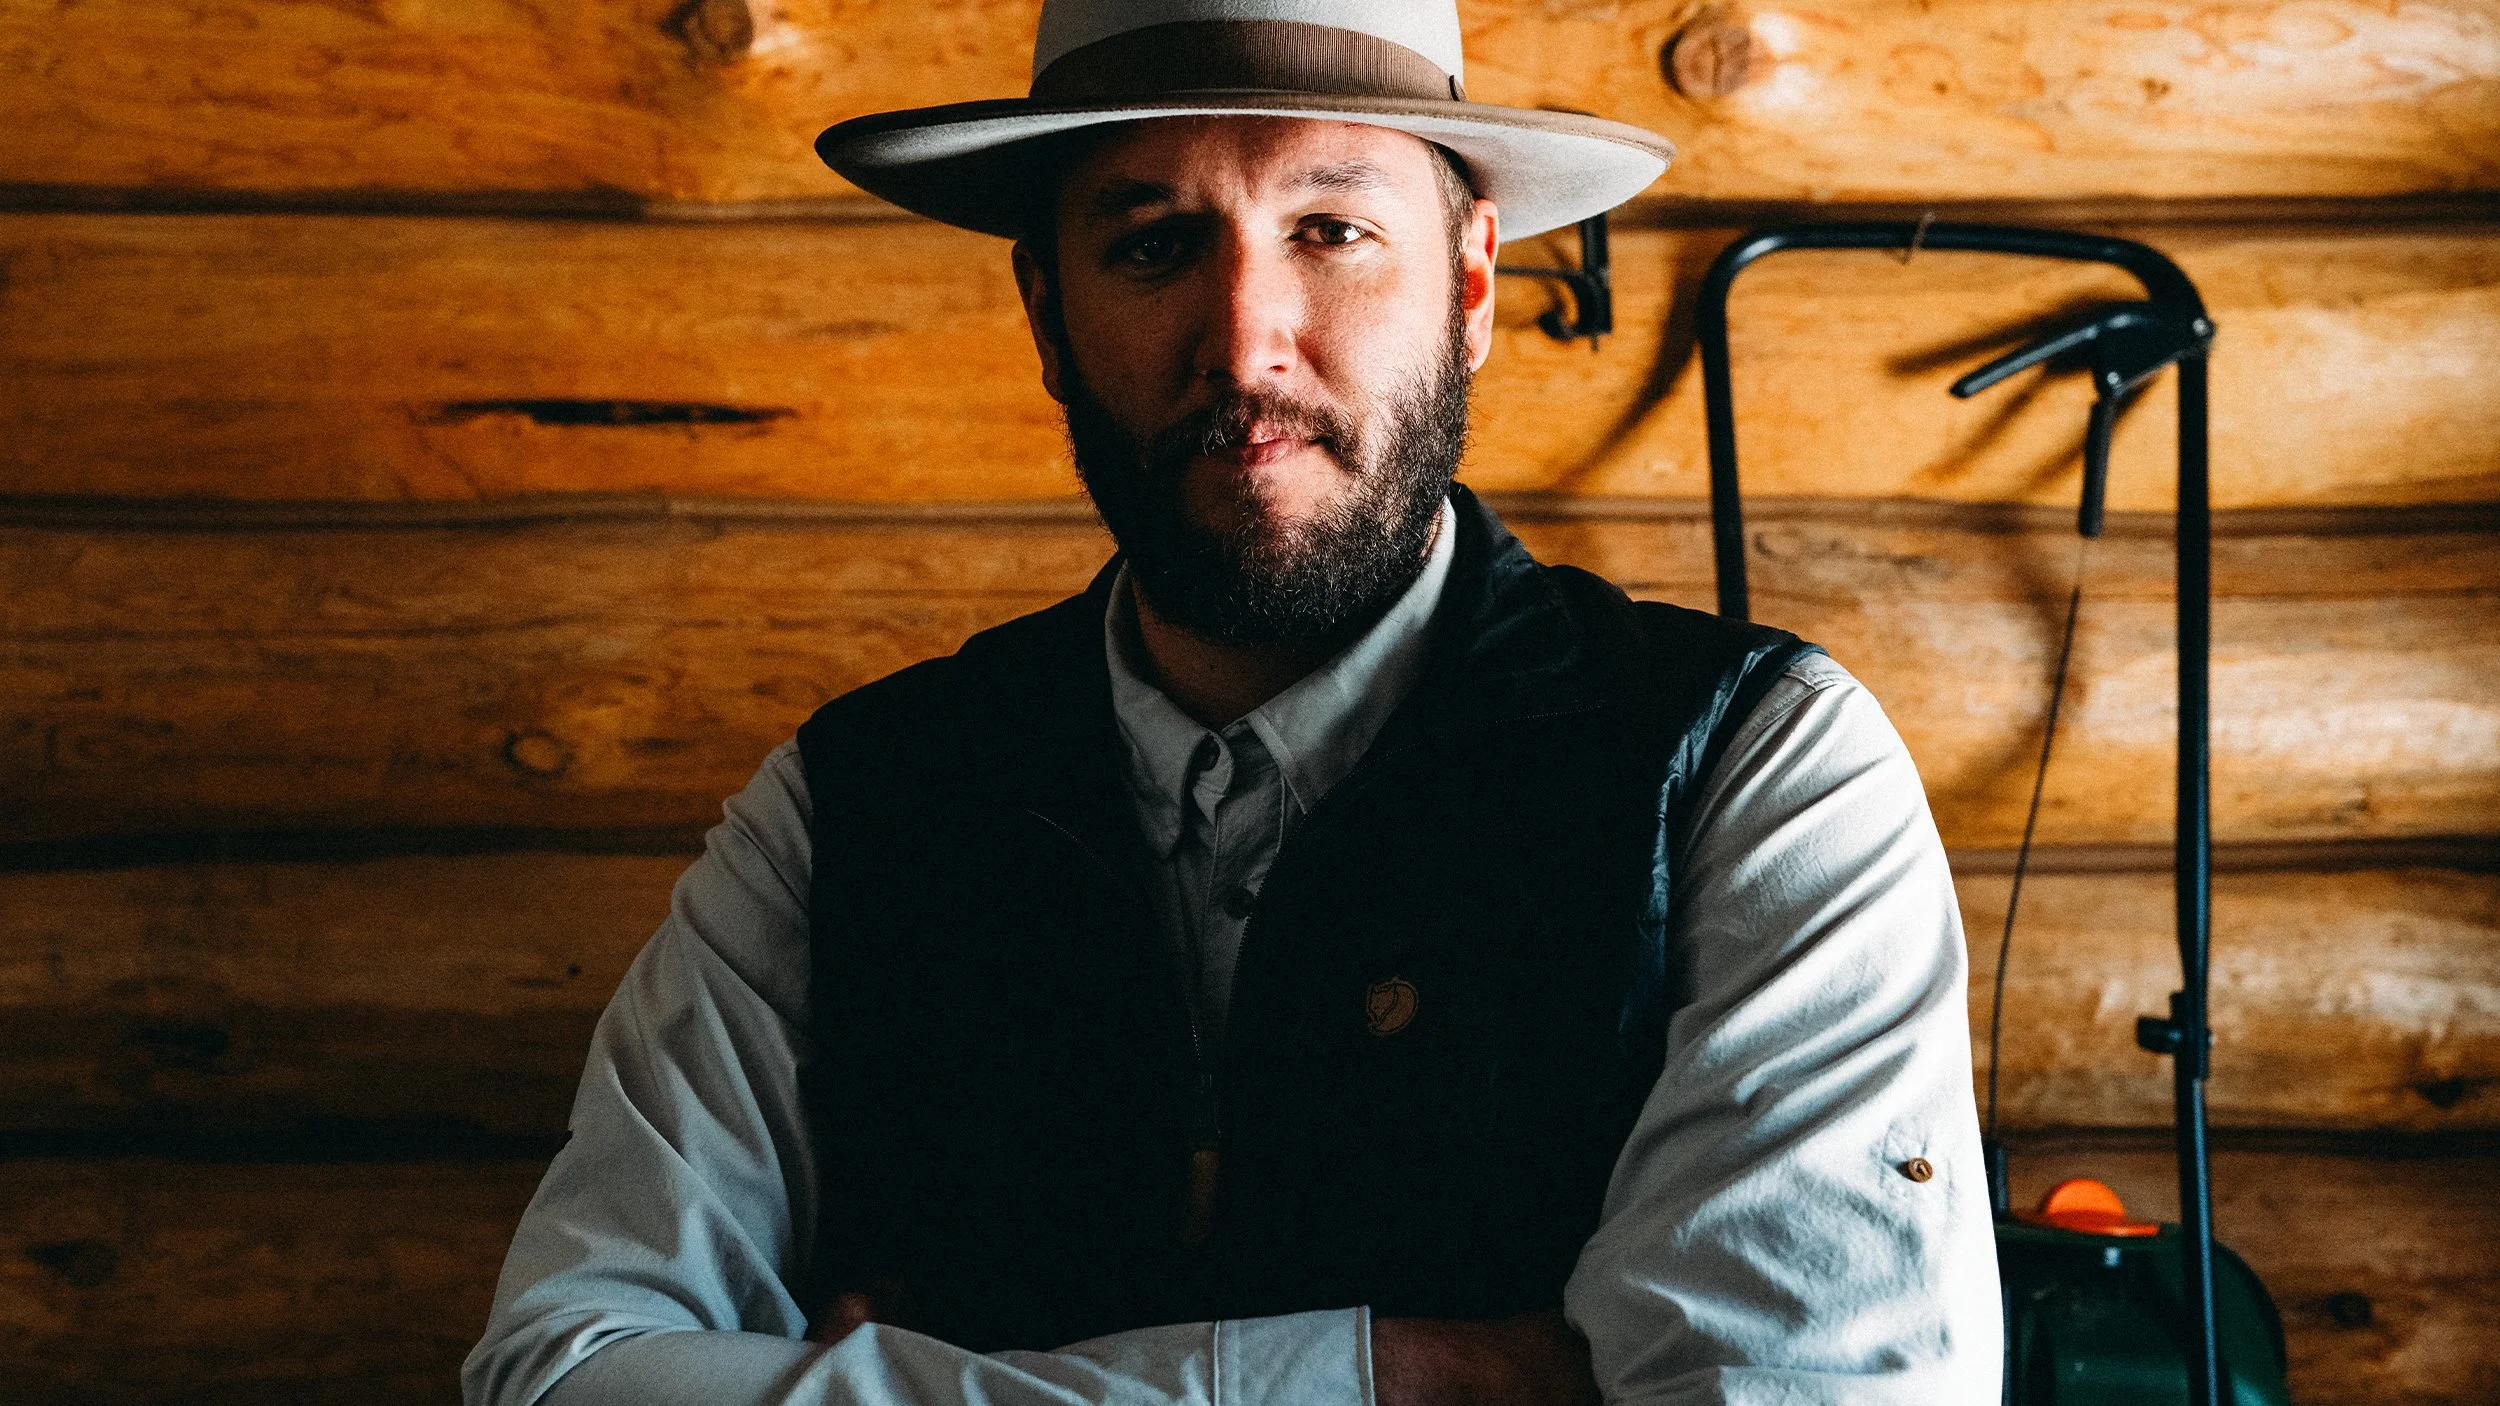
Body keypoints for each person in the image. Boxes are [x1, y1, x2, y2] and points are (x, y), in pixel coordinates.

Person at [463, 2, 2001, 1402]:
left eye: (1332, 230)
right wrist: (1403, 1378)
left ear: (1470, 283)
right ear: (1050, 315)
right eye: (1153, 245)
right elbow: (560, 1367)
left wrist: (909, 1383)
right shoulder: (852, 805)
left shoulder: (1750, 770)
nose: (1247, 340)